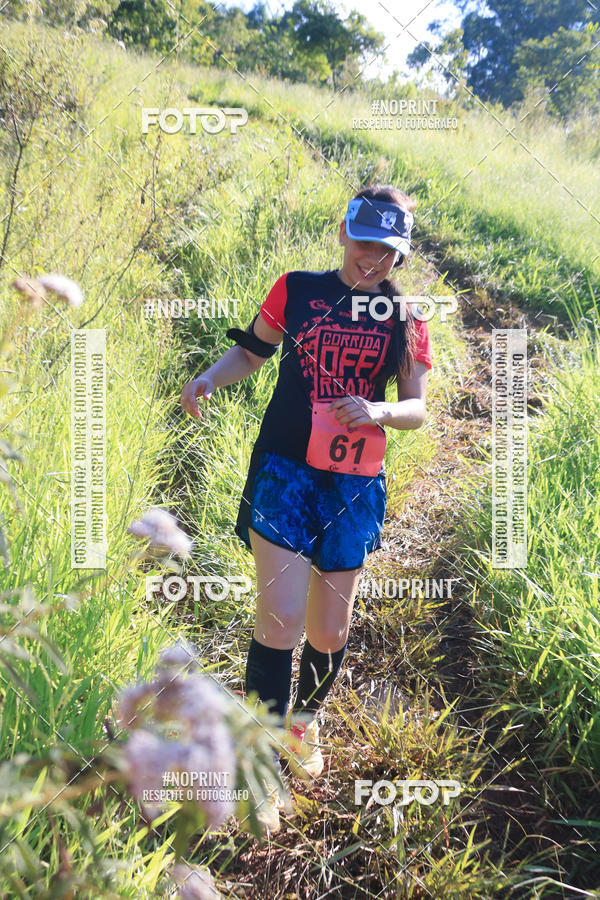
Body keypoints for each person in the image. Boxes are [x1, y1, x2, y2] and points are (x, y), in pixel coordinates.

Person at [180, 184, 432, 831]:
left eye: (387, 251)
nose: (371, 260)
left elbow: (416, 406)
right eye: (364, 243)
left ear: (399, 255)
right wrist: (211, 375)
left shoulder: (405, 319)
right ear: (344, 233)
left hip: (351, 484)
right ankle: (259, 759)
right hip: (285, 469)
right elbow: (251, 351)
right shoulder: (296, 290)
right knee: (281, 617)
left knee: (329, 632)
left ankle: (303, 723)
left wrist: (377, 409)